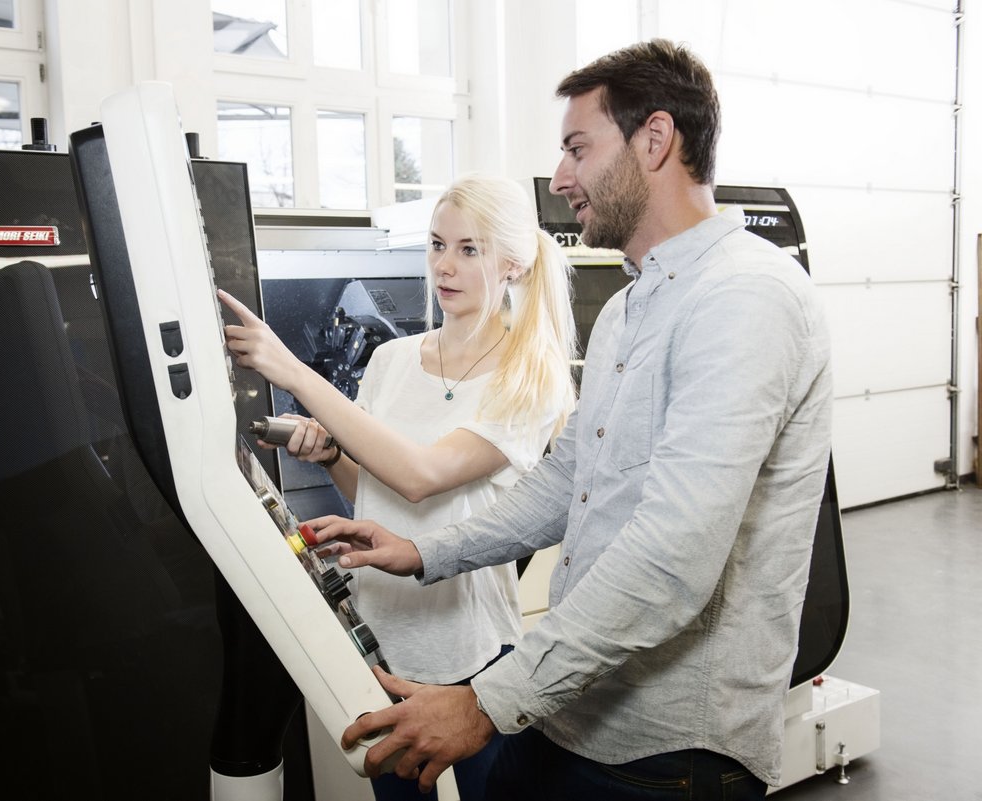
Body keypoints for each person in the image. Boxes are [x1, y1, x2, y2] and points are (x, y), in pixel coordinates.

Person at [308, 39, 834, 801]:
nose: (559, 179)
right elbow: (567, 482)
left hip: (664, 754)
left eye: (577, 149)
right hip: (566, 712)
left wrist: (487, 699)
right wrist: (423, 552)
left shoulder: (745, 298)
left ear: (655, 140)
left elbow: (672, 559)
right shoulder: (627, 309)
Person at [218, 173, 579, 800]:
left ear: (514, 264)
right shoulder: (392, 360)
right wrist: (332, 453)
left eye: (470, 249)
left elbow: (421, 477)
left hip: (470, 653)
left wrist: (293, 371)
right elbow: (377, 491)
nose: (445, 265)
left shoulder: (529, 379)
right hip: (383, 634)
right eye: (437, 244)